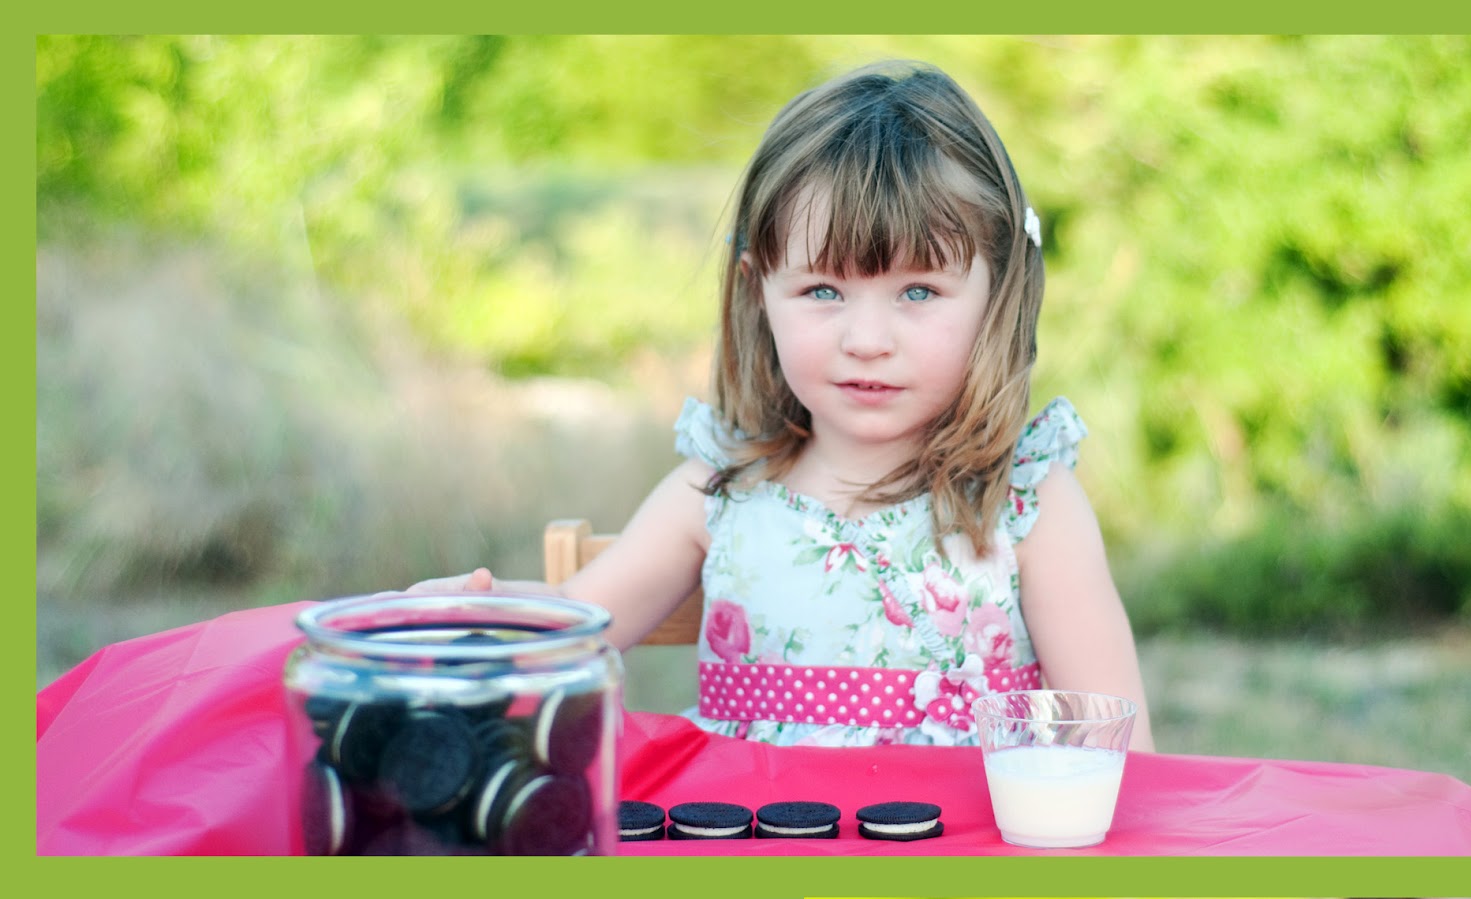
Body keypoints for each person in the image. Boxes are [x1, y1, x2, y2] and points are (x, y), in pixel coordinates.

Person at [413, 60, 1154, 752]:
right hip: (749, 832)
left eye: (919, 291)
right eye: (823, 290)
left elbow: (1119, 749)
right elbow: (574, 631)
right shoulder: (720, 490)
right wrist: (481, 615)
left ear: (999, 290)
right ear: (758, 290)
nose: (867, 341)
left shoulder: (1027, 505)